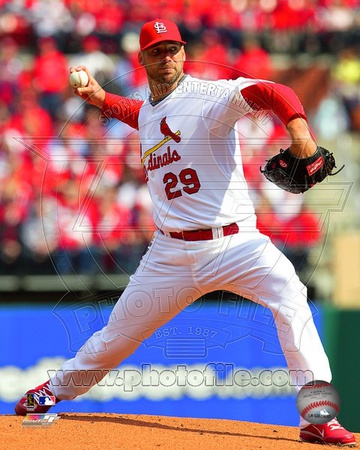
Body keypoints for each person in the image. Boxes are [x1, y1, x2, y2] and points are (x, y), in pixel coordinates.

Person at [15, 18, 355, 446]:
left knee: (291, 297)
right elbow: (141, 114)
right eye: (157, 51)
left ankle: (317, 415)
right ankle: (49, 391)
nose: (168, 57)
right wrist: (100, 97)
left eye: (173, 48)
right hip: (169, 254)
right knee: (116, 339)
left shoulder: (210, 95)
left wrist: (300, 131)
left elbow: (274, 91)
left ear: (183, 51)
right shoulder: (150, 110)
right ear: (142, 59)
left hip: (236, 243)